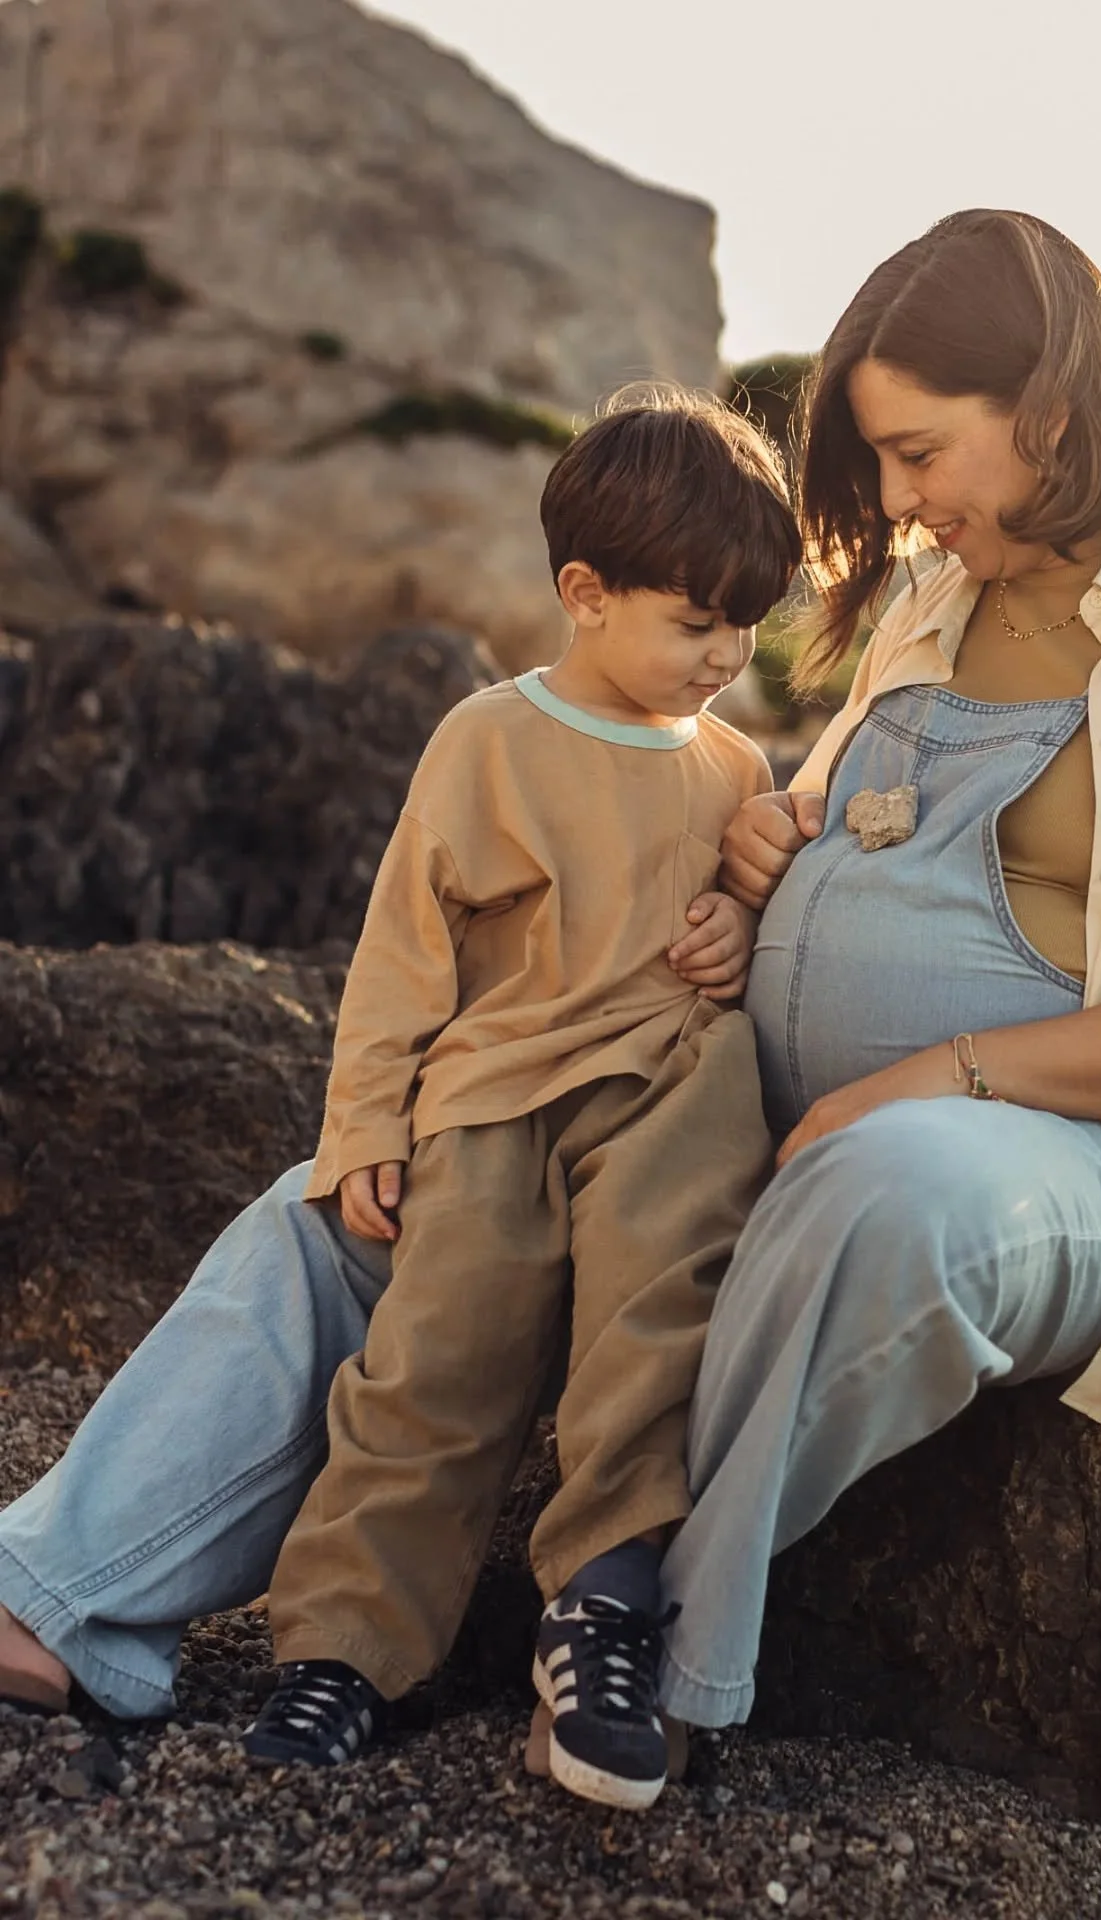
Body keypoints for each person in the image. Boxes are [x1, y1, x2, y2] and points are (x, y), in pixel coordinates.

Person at [646, 208, 1101, 1733]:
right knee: (438, 1147)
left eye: (921, 455)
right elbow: (852, 809)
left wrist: (944, 1075)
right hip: (787, 1107)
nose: (905, 506)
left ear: (1050, 409)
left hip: (1058, 1165)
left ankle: (643, 1623)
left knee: (889, 1193)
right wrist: (778, 843)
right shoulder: (940, 597)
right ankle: (61, 1590)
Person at [0, 390, 799, 1811]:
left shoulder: (735, 764)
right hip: (493, 1106)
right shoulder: (489, 741)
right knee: (429, 1363)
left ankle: (602, 1615)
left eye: (748, 629)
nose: (727, 658)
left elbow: (737, 915)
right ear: (585, 594)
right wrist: (364, 1127)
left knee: (649, 1325)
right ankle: (342, 1658)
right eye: (697, 624)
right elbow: (399, 959)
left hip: (663, 1099)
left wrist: (741, 923)